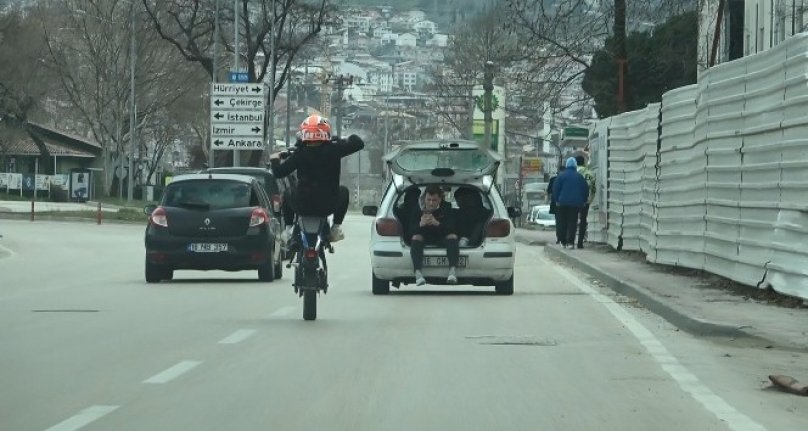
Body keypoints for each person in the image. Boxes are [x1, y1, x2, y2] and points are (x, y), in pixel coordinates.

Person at [270, 114, 364, 243]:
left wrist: (275, 159)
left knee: (287, 193)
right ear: (325, 133)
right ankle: (335, 228)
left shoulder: (300, 153)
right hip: (328, 205)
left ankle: (289, 229)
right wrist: (341, 138)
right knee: (344, 191)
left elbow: (278, 172)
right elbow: (358, 143)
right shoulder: (335, 149)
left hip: (302, 205)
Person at [408, 185, 459, 286]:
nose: (431, 203)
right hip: (424, 237)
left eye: (434, 200)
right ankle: (418, 274)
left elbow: (454, 229)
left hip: (441, 237)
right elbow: (409, 232)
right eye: (428, 200)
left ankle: (452, 272)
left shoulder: (447, 207)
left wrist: (438, 223)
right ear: (424, 198)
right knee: (416, 237)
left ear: (440, 199)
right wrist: (420, 224)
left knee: (452, 236)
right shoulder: (418, 209)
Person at [552, 157, 589, 248]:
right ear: (575, 166)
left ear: (567, 165)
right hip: (575, 204)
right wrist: (584, 200)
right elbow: (585, 189)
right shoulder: (580, 177)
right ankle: (570, 242)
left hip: (562, 203)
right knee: (572, 222)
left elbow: (555, 189)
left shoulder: (561, 176)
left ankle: (563, 241)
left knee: (562, 222)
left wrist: (556, 200)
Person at [575, 154, 596, 248]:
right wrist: (590, 199)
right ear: (584, 163)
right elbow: (592, 187)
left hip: (573, 201)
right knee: (583, 221)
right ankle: (580, 242)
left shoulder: (572, 172)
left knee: (572, 220)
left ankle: (569, 240)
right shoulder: (589, 173)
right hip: (585, 201)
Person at [547, 166, 563, 244]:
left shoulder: (553, 179)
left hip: (556, 203)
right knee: (566, 221)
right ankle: (565, 238)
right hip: (566, 203)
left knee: (559, 221)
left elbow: (549, 191)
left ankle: (559, 238)